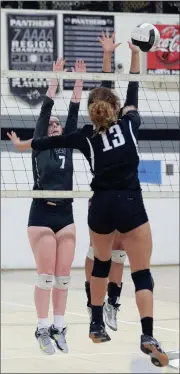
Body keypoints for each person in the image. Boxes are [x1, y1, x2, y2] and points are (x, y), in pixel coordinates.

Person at [7, 32, 168, 368]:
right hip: (126, 201)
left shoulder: (83, 136)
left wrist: (24, 146)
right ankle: (140, 328)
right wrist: (136, 54)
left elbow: (97, 100)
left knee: (104, 259)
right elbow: (123, 88)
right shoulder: (129, 123)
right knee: (133, 267)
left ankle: (100, 312)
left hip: (99, 206)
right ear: (113, 109)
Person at [10, 58, 86, 355]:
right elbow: (46, 108)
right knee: (46, 276)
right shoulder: (40, 141)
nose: (55, 126)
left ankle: (58, 325)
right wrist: (56, 77)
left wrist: (80, 79)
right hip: (41, 213)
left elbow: (75, 109)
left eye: (58, 124)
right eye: (52, 124)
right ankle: (41, 328)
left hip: (65, 213)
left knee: (64, 277)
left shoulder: (67, 141)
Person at [85, 204, 126, 331]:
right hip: (101, 194)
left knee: (119, 251)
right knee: (96, 248)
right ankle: (93, 303)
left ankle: (112, 303)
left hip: (123, 196)